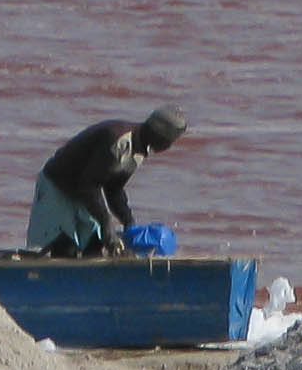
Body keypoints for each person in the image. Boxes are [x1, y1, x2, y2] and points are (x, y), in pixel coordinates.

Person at [27, 108, 186, 258]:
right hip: (57, 185)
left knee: (95, 246)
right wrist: (106, 222)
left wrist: (128, 222)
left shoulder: (139, 150)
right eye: (171, 141)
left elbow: (114, 188)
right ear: (161, 137)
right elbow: (89, 185)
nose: (169, 146)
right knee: (61, 248)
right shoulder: (118, 140)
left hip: (83, 195)